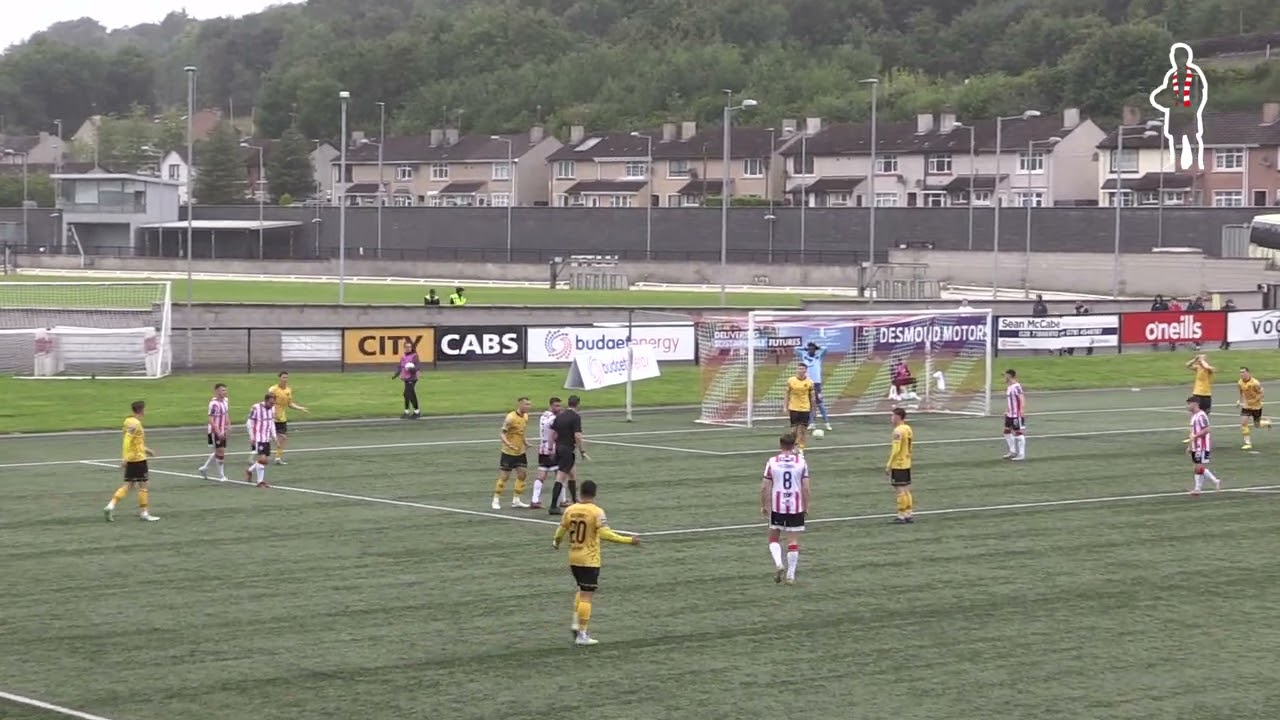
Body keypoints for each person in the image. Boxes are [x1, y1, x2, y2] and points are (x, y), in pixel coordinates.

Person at [552, 479, 640, 646]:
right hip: (589, 559)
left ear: (580, 492)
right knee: (587, 594)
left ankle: (576, 624)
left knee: (581, 589)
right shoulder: (597, 512)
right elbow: (606, 534)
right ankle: (582, 634)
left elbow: (561, 529)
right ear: (594, 494)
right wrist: (629, 541)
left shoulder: (570, 509)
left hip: (574, 557)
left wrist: (556, 542)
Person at [761, 433, 810, 584]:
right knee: (793, 540)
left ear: (780, 446)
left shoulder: (772, 462)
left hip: (778, 506)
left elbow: (765, 486)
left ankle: (779, 564)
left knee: (773, 537)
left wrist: (764, 505)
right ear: (794, 445)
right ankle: (790, 575)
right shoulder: (801, 462)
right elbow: (806, 488)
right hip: (795, 507)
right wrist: (806, 506)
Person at [104, 400, 159, 522]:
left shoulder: (128, 422)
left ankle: (110, 505)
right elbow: (127, 441)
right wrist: (124, 457)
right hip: (138, 459)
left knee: (128, 485)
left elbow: (135, 442)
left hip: (132, 458)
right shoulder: (136, 425)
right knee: (143, 485)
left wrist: (147, 450)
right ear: (142, 410)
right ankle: (144, 513)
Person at [548, 395, 588, 514]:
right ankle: (553, 506)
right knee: (560, 477)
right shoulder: (575, 417)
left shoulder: (560, 415)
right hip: (567, 450)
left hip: (559, 448)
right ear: (578, 404)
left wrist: (551, 448)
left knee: (572, 474)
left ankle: (575, 501)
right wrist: (582, 451)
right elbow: (577, 435)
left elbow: (553, 433)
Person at [493, 396, 532, 509]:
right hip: (508, 452)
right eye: (526, 404)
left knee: (522, 474)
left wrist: (525, 442)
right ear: (520, 405)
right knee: (504, 477)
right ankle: (496, 499)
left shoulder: (525, 416)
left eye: (529, 404)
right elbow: (502, 434)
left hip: (520, 452)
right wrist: (508, 443)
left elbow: (522, 432)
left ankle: (516, 500)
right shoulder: (510, 417)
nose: (528, 407)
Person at [267, 371, 308, 464]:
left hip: (281, 418)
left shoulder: (288, 390)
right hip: (271, 417)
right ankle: (255, 455)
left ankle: (278, 457)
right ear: (279, 378)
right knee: (265, 438)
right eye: (283, 377)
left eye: (286, 378)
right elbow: (268, 402)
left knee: (283, 438)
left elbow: (289, 404)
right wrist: (271, 413)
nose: (285, 380)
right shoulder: (273, 389)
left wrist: (300, 408)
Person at [531, 397, 563, 510]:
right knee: (560, 474)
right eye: (557, 406)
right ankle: (562, 500)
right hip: (552, 448)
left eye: (559, 406)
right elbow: (555, 433)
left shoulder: (543, 415)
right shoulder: (554, 418)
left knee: (541, 475)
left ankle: (535, 500)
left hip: (542, 448)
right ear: (551, 405)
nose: (559, 408)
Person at [1187, 395, 1221, 496]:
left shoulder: (1201, 415)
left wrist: (1195, 437)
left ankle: (1215, 481)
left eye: (1189, 404)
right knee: (1196, 468)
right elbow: (1192, 433)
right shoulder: (1194, 416)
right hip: (1195, 445)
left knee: (1198, 468)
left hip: (1201, 445)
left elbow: (1207, 429)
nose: (1187, 406)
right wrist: (1190, 446)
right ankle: (1197, 489)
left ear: (1195, 404)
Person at [886, 407, 914, 524]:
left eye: (892, 416)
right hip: (907, 462)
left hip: (899, 464)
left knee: (900, 490)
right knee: (906, 490)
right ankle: (908, 514)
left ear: (898, 417)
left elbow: (896, 449)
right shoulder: (908, 428)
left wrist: (889, 464)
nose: (891, 418)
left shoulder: (898, 431)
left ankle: (901, 515)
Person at [796, 341, 832, 431]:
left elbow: (825, 349)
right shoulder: (804, 355)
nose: (811, 350)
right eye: (809, 349)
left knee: (820, 404)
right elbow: (795, 349)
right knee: (809, 404)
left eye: (813, 349)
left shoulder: (818, 356)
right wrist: (804, 348)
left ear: (815, 350)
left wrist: (818, 347)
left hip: (816, 383)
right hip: (806, 383)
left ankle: (827, 423)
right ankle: (812, 423)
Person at [199, 383, 230, 481]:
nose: (225, 392)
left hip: (222, 429)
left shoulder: (225, 401)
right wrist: (217, 431)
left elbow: (226, 413)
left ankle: (204, 468)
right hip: (214, 431)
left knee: (218, 451)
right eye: (222, 390)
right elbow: (211, 419)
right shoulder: (213, 404)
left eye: (225, 390)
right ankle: (221, 475)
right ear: (216, 391)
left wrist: (228, 425)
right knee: (220, 451)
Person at [244, 393, 277, 488]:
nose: (272, 405)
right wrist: (252, 437)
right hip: (258, 437)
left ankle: (249, 470)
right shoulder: (256, 408)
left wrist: (274, 436)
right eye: (271, 403)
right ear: (266, 401)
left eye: (273, 403)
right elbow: (249, 423)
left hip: (266, 438)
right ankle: (260, 481)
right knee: (263, 459)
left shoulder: (272, 409)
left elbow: (271, 423)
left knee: (265, 460)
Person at [1237, 366, 1270, 450]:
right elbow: (1241, 392)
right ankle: (1248, 443)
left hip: (1256, 406)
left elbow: (1261, 394)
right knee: (1244, 423)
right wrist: (1239, 400)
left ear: (1248, 373)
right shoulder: (1240, 382)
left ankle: (1267, 423)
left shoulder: (1255, 383)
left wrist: (1254, 400)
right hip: (1246, 406)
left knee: (1257, 425)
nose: (1242, 374)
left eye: (1243, 372)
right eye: (1240, 372)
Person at [785, 364, 815, 452]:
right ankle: (793, 444)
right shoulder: (791, 380)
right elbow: (786, 394)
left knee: (803, 429)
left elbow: (812, 396)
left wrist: (813, 408)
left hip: (805, 408)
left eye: (802, 369)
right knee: (794, 430)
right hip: (793, 407)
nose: (800, 370)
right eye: (799, 369)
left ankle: (801, 448)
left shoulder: (810, 382)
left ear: (806, 370)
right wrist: (785, 406)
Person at [1002, 369, 1026, 461]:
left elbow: (1022, 398)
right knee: (1006, 432)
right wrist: (1007, 410)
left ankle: (1021, 454)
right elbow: (1011, 401)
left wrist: (1022, 410)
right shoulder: (1009, 387)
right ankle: (1012, 451)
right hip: (1010, 414)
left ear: (1009, 376)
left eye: (1005, 376)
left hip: (1016, 414)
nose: (1004, 377)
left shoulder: (1016, 386)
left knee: (1018, 433)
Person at [394, 342, 421, 419]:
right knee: (407, 394)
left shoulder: (414, 356)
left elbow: (418, 366)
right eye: (406, 347)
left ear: (412, 348)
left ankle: (416, 412)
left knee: (410, 394)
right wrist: (396, 374)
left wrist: (412, 369)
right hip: (405, 378)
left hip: (412, 378)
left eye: (409, 347)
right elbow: (400, 366)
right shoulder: (403, 356)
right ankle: (407, 412)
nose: (407, 348)